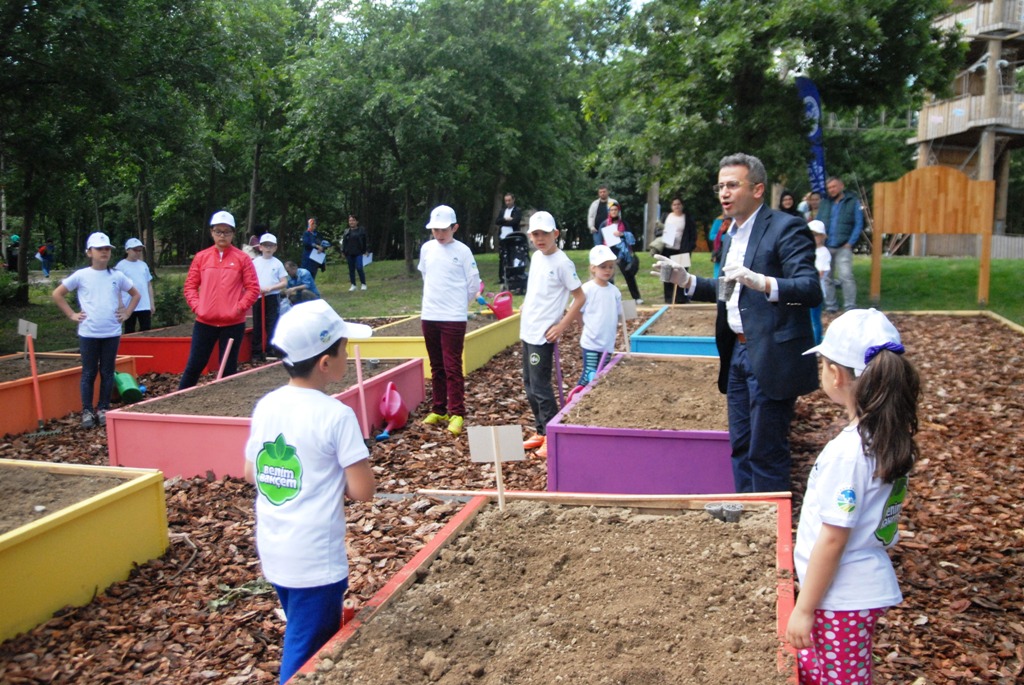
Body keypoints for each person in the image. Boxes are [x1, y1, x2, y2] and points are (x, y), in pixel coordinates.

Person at [654, 152, 821, 493]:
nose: (724, 193)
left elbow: (810, 289)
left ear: (758, 189)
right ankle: (747, 516)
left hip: (771, 355)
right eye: (720, 186)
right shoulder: (731, 234)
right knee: (741, 447)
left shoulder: (787, 227)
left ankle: (770, 529)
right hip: (738, 355)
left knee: (767, 452)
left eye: (732, 185)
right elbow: (730, 291)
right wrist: (686, 281)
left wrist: (763, 283)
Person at [244, 299, 376, 685]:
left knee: (300, 630)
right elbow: (362, 490)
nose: (347, 352)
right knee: (307, 654)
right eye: (342, 347)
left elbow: (252, 471)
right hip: (316, 561)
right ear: (325, 362)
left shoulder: (267, 405)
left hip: (274, 547)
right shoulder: (336, 414)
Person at [785, 308, 920, 685]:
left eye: (823, 363)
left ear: (836, 374)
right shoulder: (888, 435)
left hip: (837, 598)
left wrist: (804, 608)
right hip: (851, 590)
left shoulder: (848, 454)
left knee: (839, 679)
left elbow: (833, 537)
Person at [52, 232, 140, 428]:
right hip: (89, 333)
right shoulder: (82, 275)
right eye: (100, 249)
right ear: (89, 252)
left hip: (111, 332)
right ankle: (87, 410)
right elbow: (58, 294)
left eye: (107, 249)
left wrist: (127, 313)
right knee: (89, 373)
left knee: (107, 372)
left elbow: (136, 294)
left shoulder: (117, 275)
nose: (104, 252)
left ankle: (103, 408)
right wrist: (71, 315)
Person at [519, 211, 585, 459]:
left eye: (544, 233)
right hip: (528, 329)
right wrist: (527, 304)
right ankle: (540, 430)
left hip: (543, 334)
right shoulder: (536, 257)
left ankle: (551, 434)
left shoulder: (563, 263)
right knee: (529, 385)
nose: (540, 238)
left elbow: (580, 297)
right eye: (535, 234)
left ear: (555, 234)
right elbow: (534, 288)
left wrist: (562, 326)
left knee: (541, 387)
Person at [417, 205, 481, 437]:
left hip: (453, 317)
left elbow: (473, 283)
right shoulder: (426, 249)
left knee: (452, 365)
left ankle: (457, 412)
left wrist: (458, 304)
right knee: (436, 365)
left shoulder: (462, 251)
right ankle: (439, 409)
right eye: (435, 229)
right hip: (430, 314)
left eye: (444, 229)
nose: (439, 234)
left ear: (454, 228)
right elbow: (426, 276)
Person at [178, 211, 261, 390]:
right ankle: (177, 400)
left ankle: (225, 408)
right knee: (194, 365)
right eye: (218, 231)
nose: (222, 235)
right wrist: (198, 307)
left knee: (228, 370)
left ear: (233, 234)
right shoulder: (202, 257)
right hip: (204, 321)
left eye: (226, 232)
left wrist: (238, 308)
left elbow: (253, 288)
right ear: (211, 232)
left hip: (232, 323)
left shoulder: (242, 258)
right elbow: (190, 286)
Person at [576, 244, 621, 388]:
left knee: (601, 375)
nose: (607, 270)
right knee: (590, 373)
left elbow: (619, 314)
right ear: (593, 268)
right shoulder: (587, 289)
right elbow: (576, 309)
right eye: (603, 266)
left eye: (610, 266)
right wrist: (583, 325)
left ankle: (589, 398)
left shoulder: (615, 291)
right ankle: (576, 399)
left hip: (607, 343)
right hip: (591, 341)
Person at [817, 177, 863, 312]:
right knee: (826, 277)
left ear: (841, 186)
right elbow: (818, 223)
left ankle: (850, 307)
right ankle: (831, 306)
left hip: (844, 245)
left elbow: (858, 223)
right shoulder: (825, 203)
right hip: (826, 245)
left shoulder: (852, 201)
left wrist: (850, 243)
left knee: (846, 276)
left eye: (834, 186)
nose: (831, 190)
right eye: (829, 188)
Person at [251, 233, 288, 362]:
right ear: (260, 247)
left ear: (275, 248)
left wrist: (271, 288)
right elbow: (250, 280)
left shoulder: (277, 264)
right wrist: (257, 289)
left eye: (271, 246)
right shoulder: (255, 263)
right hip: (258, 297)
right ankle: (256, 351)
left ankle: (270, 348)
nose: (268, 248)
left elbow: (284, 282)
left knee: (272, 322)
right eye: (265, 245)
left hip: (272, 296)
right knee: (258, 323)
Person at [660, 197, 697, 304]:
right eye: (674, 204)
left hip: (681, 249)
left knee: (681, 274)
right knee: (666, 274)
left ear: (682, 206)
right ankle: (668, 298)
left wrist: (690, 247)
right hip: (667, 249)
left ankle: (680, 298)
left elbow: (692, 234)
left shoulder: (687, 218)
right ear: (671, 206)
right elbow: (658, 230)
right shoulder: (666, 217)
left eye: (678, 204)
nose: (676, 206)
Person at [603, 201, 642, 304]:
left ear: (618, 211)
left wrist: (621, 234)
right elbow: (599, 239)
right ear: (609, 212)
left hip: (623, 254)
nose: (614, 212)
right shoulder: (605, 224)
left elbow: (631, 238)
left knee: (629, 275)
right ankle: (610, 299)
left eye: (615, 210)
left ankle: (636, 297)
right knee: (609, 276)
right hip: (609, 253)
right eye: (611, 210)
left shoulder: (624, 223)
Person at [114, 238, 156, 333]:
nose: (138, 252)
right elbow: (116, 287)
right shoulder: (120, 266)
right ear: (127, 250)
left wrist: (151, 303)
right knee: (129, 330)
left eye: (139, 250)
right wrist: (120, 305)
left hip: (144, 304)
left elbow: (148, 284)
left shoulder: (143, 265)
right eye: (135, 250)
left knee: (146, 330)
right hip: (128, 304)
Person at [808, 220, 831, 345]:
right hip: (804, 290)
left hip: (816, 290)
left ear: (823, 236)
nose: (813, 238)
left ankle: (816, 344)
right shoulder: (806, 250)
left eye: (816, 235)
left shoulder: (823, 252)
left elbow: (820, 273)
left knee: (814, 320)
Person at [495, 193, 523, 283]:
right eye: (506, 201)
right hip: (503, 237)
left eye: (509, 200)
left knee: (512, 256)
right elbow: (497, 221)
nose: (507, 202)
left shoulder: (517, 210)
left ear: (513, 200)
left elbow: (515, 221)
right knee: (502, 258)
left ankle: (512, 276)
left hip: (513, 237)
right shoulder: (503, 211)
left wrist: (503, 221)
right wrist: (506, 219)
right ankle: (501, 277)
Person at [341, 214, 368, 291]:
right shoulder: (346, 231)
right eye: (350, 220)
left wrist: (366, 250)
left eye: (353, 220)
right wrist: (343, 251)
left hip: (359, 252)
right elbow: (344, 242)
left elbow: (365, 241)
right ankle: (353, 284)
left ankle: (363, 283)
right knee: (351, 269)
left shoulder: (361, 231)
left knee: (359, 268)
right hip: (349, 253)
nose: (351, 222)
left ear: (357, 221)